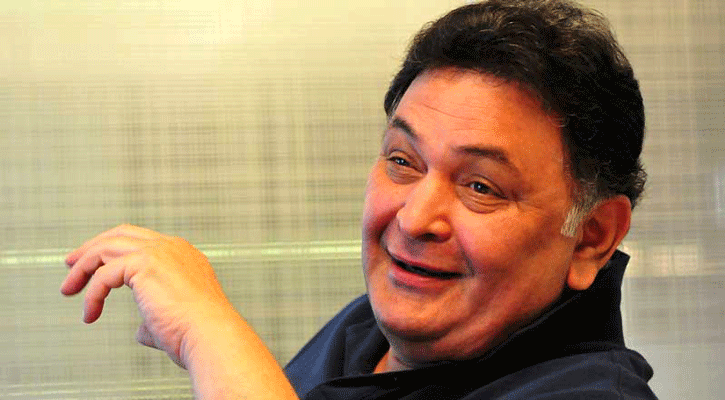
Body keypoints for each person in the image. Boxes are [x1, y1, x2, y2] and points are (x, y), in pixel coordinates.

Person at [61, 0, 656, 398]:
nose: (415, 218)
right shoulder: (365, 329)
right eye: (403, 161)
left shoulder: (590, 393)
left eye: (481, 187)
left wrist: (212, 339)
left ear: (591, 237)